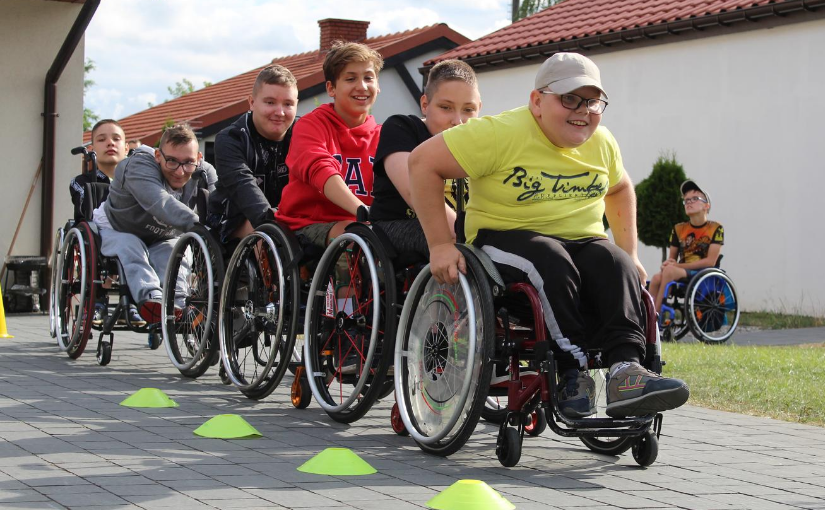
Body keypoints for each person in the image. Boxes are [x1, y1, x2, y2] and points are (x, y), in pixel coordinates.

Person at [408, 52, 690, 419]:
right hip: (505, 235)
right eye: (569, 99)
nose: (582, 110)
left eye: (592, 101)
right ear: (537, 102)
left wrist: (631, 251)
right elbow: (421, 163)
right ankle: (571, 373)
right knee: (550, 260)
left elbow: (619, 189)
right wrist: (440, 246)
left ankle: (626, 373)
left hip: (580, 240)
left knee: (615, 263)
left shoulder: (602, 142)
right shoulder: (498, 134)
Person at [92, 124, 217, 324]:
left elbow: (219, 205)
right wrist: (200, 227)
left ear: (199, 159)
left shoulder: (204, 172)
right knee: (130, 246)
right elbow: (160, 203)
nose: (180, 171)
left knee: (177, 251)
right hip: (117, 227)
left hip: (162, 235)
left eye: (188, 163)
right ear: (158, 156)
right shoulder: (137, 165)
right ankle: (152, 300)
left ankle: (177, 304)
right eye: (172, 161)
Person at [274, 41, 383, 249]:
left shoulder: (383, 135)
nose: (362, 86)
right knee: (357, 238)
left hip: (367, 223)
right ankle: (345, 284)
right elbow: (321, 169)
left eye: (369, 78)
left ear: (378, 86)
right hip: (309, 223)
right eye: (351, 78)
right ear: (331, 88)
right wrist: (362, 210)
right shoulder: (310, 125)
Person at [369, 59, 481, 259]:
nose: (458, 121)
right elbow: (414, 190)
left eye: (468, 110)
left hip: (461, 227)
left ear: (479, 108)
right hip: (397, 225)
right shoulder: (401, 128)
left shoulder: (482, 139)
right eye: (446, 108)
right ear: (425, 104)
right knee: (469, 249)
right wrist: (464, 233)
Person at [207, 64, 299, 242]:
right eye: (270, 102)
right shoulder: (231, 138)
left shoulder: (304, 133)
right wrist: (273, 223)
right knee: (265, 234)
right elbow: (243, 185)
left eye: (288, 104)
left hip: (288, 217)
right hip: (234, 216)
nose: (279, 112)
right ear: (252, 102)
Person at [649, 180, 724, 313]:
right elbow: (672, 259)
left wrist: (675, 266)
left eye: (695, 199)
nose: (689, 202)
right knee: (655, 278)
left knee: (670, 271)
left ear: (706, 206)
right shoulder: (678, 229)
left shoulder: (715, 228)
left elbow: (710, 262)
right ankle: (645, 317)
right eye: (686, 200)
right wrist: (668, 263)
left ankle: (656, 316)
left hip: (703, 272)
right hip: (681, 271)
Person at [70, 119, 127, 221]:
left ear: (126, 149)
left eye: (116, 139)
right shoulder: (81, 182)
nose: (110, 143)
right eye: (101, 140)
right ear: (91, 149)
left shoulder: (138, 179)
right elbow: (87, 210)